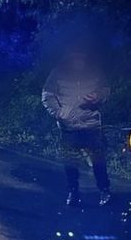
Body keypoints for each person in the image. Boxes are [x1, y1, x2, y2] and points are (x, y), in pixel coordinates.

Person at [41, 42, 112, 207]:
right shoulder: (58, 73)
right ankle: (73, 192)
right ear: (69, 56)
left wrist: (98, 96)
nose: (78, 59)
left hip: (91, 124)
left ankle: (104, 190)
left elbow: (106, 89)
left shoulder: (95, 71)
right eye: (75, 56)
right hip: (69, 127)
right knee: (70, 162)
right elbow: (47, 95)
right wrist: (59, 113)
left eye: (81, 56)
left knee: (98, 161)